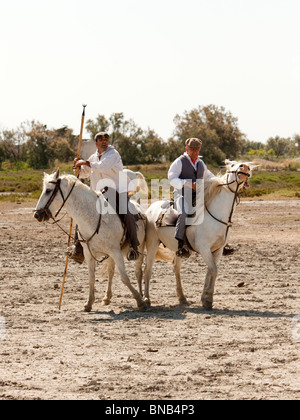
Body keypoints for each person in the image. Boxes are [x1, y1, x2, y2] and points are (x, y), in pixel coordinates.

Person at [71, 131, 140, 262]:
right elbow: (85, 174)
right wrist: (77, 167)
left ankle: (134, 245)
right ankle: (78, 247)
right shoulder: (93, 158)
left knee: (126, 212)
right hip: (97, 194)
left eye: (106, 139)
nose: (104, 141)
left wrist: (83, 162)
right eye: (100, 139)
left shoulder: (113, 154)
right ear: (96, 143)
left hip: (117, 191)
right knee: (81, 213)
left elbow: (103, 167)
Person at [168, 138, 214, 258]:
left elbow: (209, 176)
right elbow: (172, 178)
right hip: (182, 194)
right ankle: (180, 245)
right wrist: (187, 183)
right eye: (192, 149)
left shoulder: (200, 163)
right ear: (186, 149)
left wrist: (221, 182)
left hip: (198, 195)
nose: (194, 152)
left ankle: (219, 243)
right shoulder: (179, 162)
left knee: (214, 211)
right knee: (183, 213)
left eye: (196, 149)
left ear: (199, 150)